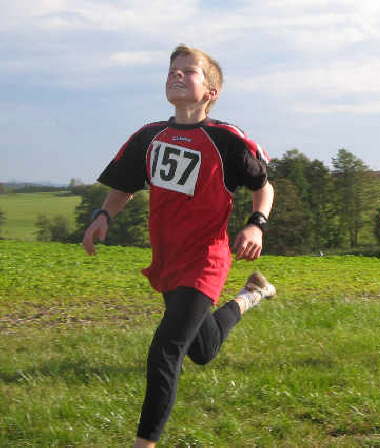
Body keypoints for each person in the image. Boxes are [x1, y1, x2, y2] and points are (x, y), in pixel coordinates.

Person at [82, 44, 276, 448]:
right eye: (173, 69)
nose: (177, 75)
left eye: (189, 71)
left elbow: (264, 186)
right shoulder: (149, 136)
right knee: (202, 349)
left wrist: (256, 225)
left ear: (211, 92)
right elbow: (124, 186)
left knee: (165, 350)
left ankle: (144, 443)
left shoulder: (226, 139)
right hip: (168, 258)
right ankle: (251, 295)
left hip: (206, 259)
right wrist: (103, 216)